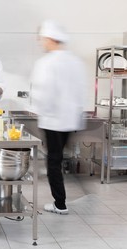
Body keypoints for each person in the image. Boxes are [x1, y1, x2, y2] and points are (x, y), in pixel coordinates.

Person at [30, 20, 87, 215]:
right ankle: (60, 201)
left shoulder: (47, 62)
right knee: (59, 159)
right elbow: (81, 91)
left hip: (52, 119)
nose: (42, 43)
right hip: (70, 120)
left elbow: (43, 92)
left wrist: (36, 109)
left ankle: (60, 204)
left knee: (53, 161)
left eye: (43, 39)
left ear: (50, 39)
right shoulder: (75, 61)